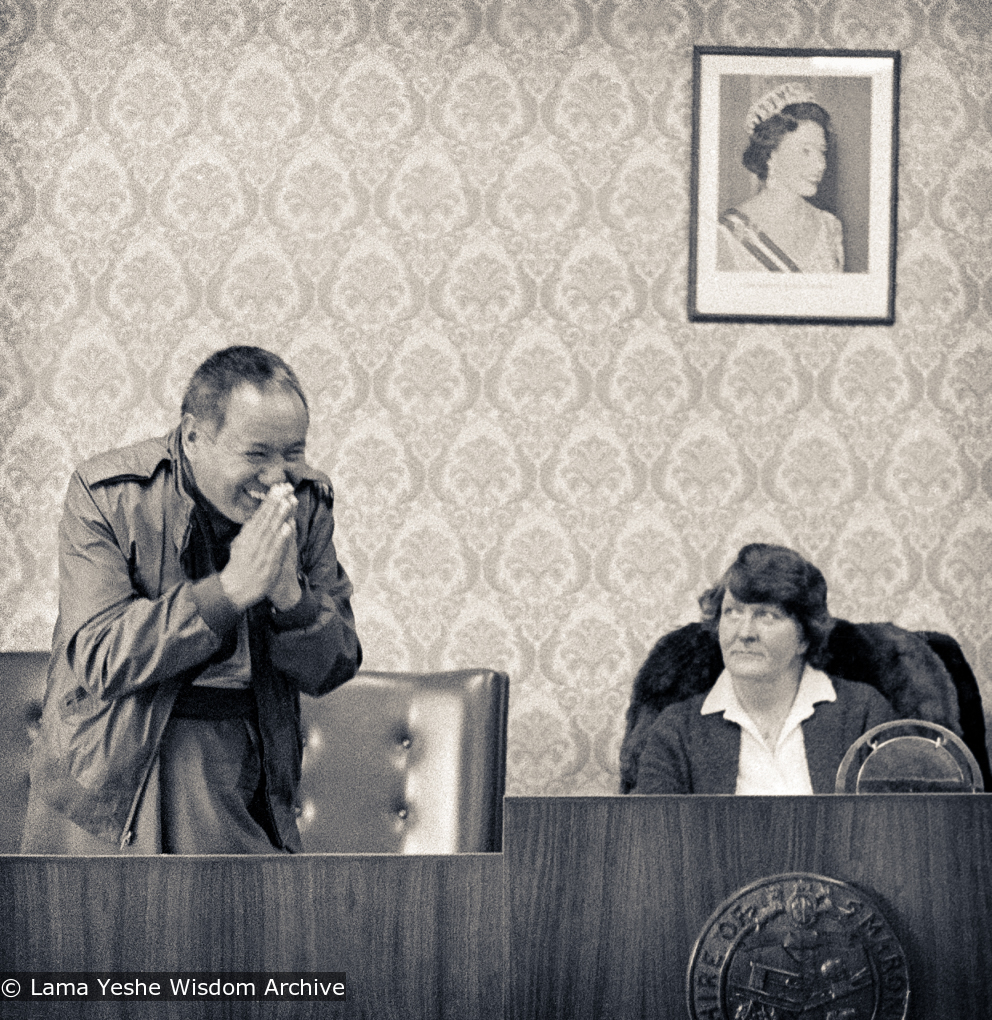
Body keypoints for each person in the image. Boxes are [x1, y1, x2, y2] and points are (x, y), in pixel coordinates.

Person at [21, 346, 362, 854]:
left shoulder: (307, 506)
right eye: (256, 454)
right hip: (106, 792)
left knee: (243, 932)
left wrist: (290, 596)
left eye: (293, 452)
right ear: (194, 437)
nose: (278, 478)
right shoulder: (108, 495)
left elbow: (334, 664)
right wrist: (229, 591)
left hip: (237, 778)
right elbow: (101, 657)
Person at [634, 544, 896, 794]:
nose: (745, 633)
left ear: (805, 636)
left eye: (766, 615)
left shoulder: (864, 714)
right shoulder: (677, 730)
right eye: (733, 612)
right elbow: (654, 835)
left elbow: (896, 828)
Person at [718, 82, 844, 273]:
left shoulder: (830, 226)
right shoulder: (728, 233)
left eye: (822, 152)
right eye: (806, 150)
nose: (820, 165)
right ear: (770, 155)